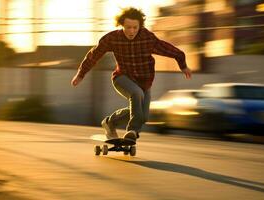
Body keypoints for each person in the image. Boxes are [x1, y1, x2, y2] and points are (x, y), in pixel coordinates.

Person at [71, 7, 192, 142]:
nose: (132, 31)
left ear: (140, 26)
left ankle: (110, 122)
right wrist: (81, 74)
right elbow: (94, 55)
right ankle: (132, 131)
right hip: (122, 78)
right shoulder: (113, 38)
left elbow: (169, 49)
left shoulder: (147, 38)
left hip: (144, 82)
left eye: (135, 27)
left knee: (143, 116)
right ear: (121, 25)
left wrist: (183, 66)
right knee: (136, 94)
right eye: (128, 27)